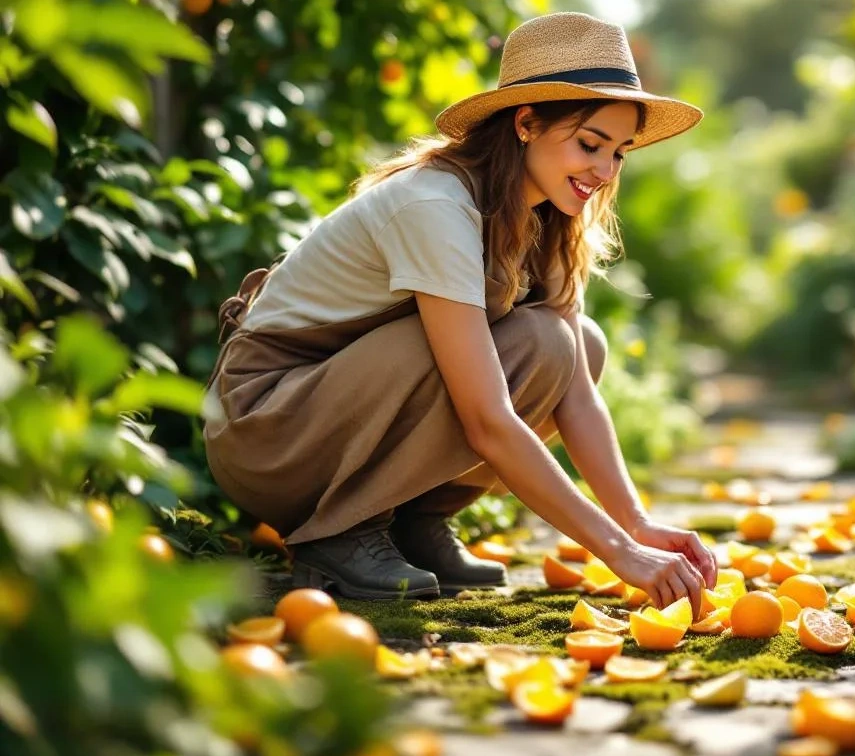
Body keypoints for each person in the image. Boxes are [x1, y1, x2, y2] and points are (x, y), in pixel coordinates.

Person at [203, 12, 716, 613]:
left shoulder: (542, 216)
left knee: (578, 344)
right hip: (270, 429)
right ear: (526, 123)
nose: (604, 173)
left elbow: (575, 390)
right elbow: (486, 417)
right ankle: (339, 530)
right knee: (538, 345)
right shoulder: (435, 205)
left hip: (332, 409)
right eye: (589, 144)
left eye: (619, 154)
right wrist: (618, 553)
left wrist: (637, 525)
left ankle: (414, 523)